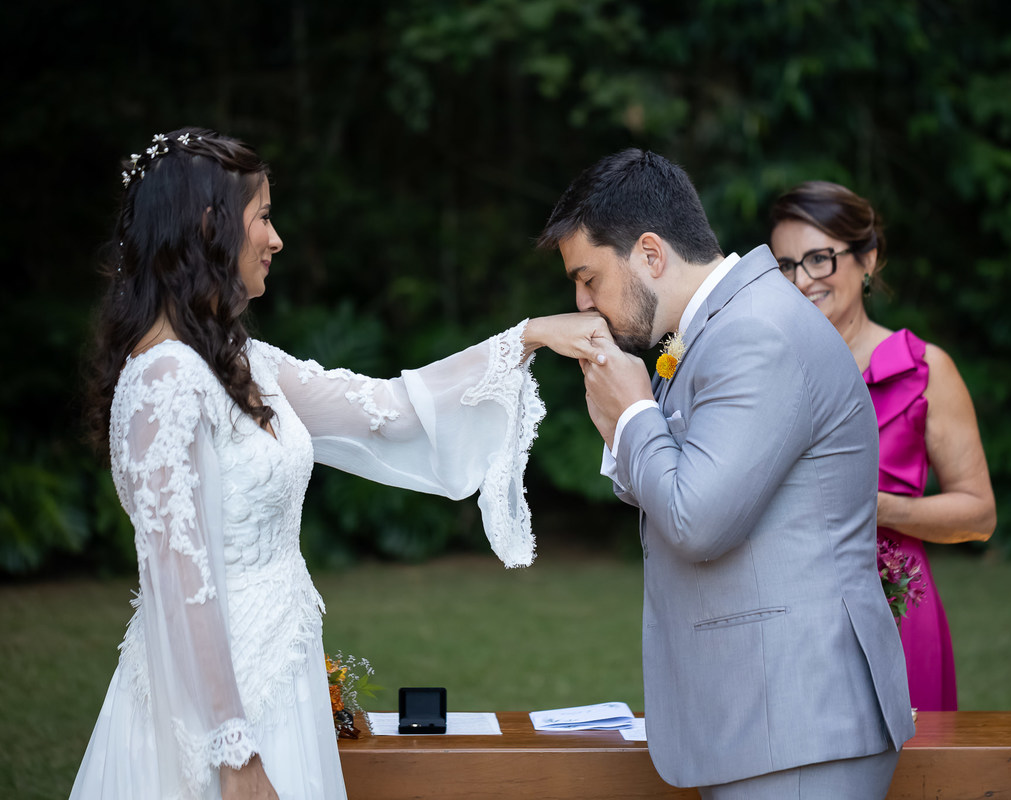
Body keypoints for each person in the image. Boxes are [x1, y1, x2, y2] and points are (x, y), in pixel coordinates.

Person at [72, 126, 611, 800]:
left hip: (283, 682)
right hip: (218, 714)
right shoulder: (164, 382)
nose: (276, 238)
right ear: (209, 227)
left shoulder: (242, 363)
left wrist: (528, 337)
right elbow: (181, 582)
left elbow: (385, 409)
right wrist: (235, 755)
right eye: (263, 216)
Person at [539, 149, 915, 800]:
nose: (581, 301)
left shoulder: (754, 332)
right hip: (769, 723)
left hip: (801, 722)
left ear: (651, 254)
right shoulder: (715, 329)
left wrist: (633, 413)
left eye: (589, 277)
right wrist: (621, 427)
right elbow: (694, 478)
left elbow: (696, 519)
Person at [768, 180, 996, 712]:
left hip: (896, 610)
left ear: (867, 259)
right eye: (785, 265)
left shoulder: (926, 369)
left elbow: (979, 513)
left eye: (819, 259)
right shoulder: (766, 371)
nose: (802, 281)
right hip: (781, 610)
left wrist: (880, 508)